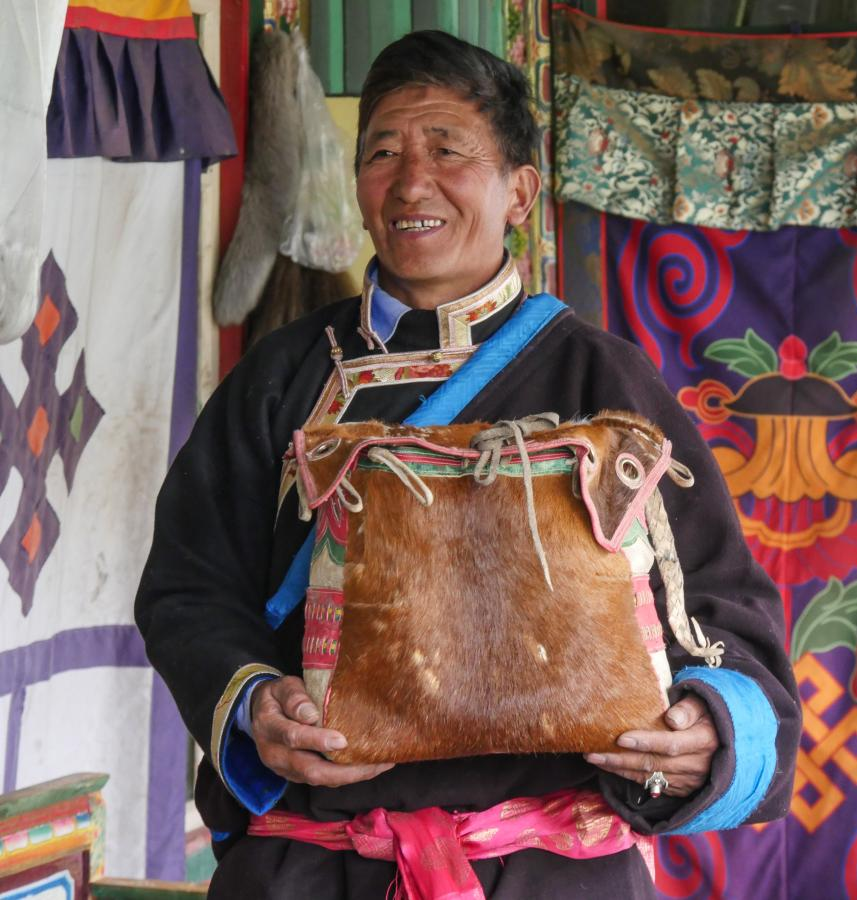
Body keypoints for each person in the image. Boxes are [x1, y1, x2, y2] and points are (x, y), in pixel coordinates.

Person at [136, 30, 799, 899]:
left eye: (448, 150)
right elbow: (188, 587)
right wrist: (256, 700)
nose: (412, 183)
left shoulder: (602, 380)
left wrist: (709, 724)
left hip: (557, 874)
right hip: (310, 868)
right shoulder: (281, 377)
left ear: (519, 191)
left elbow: (720, 603)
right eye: (383, 153)